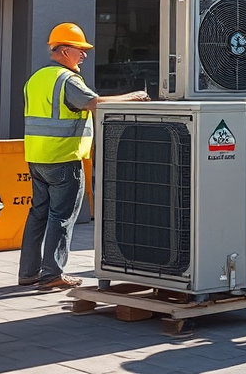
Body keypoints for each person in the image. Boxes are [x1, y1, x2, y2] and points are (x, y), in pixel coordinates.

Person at [18, 23, 149, 290]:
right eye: (80, 50)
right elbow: (94, 103)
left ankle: (28, 272)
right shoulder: (68, 80)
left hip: (36, 157)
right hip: (63, 158)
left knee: (38, 215)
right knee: (61, 217)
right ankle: (51, 273)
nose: (84, 55)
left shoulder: (36, 78)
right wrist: (133, 97)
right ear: (64, 50)